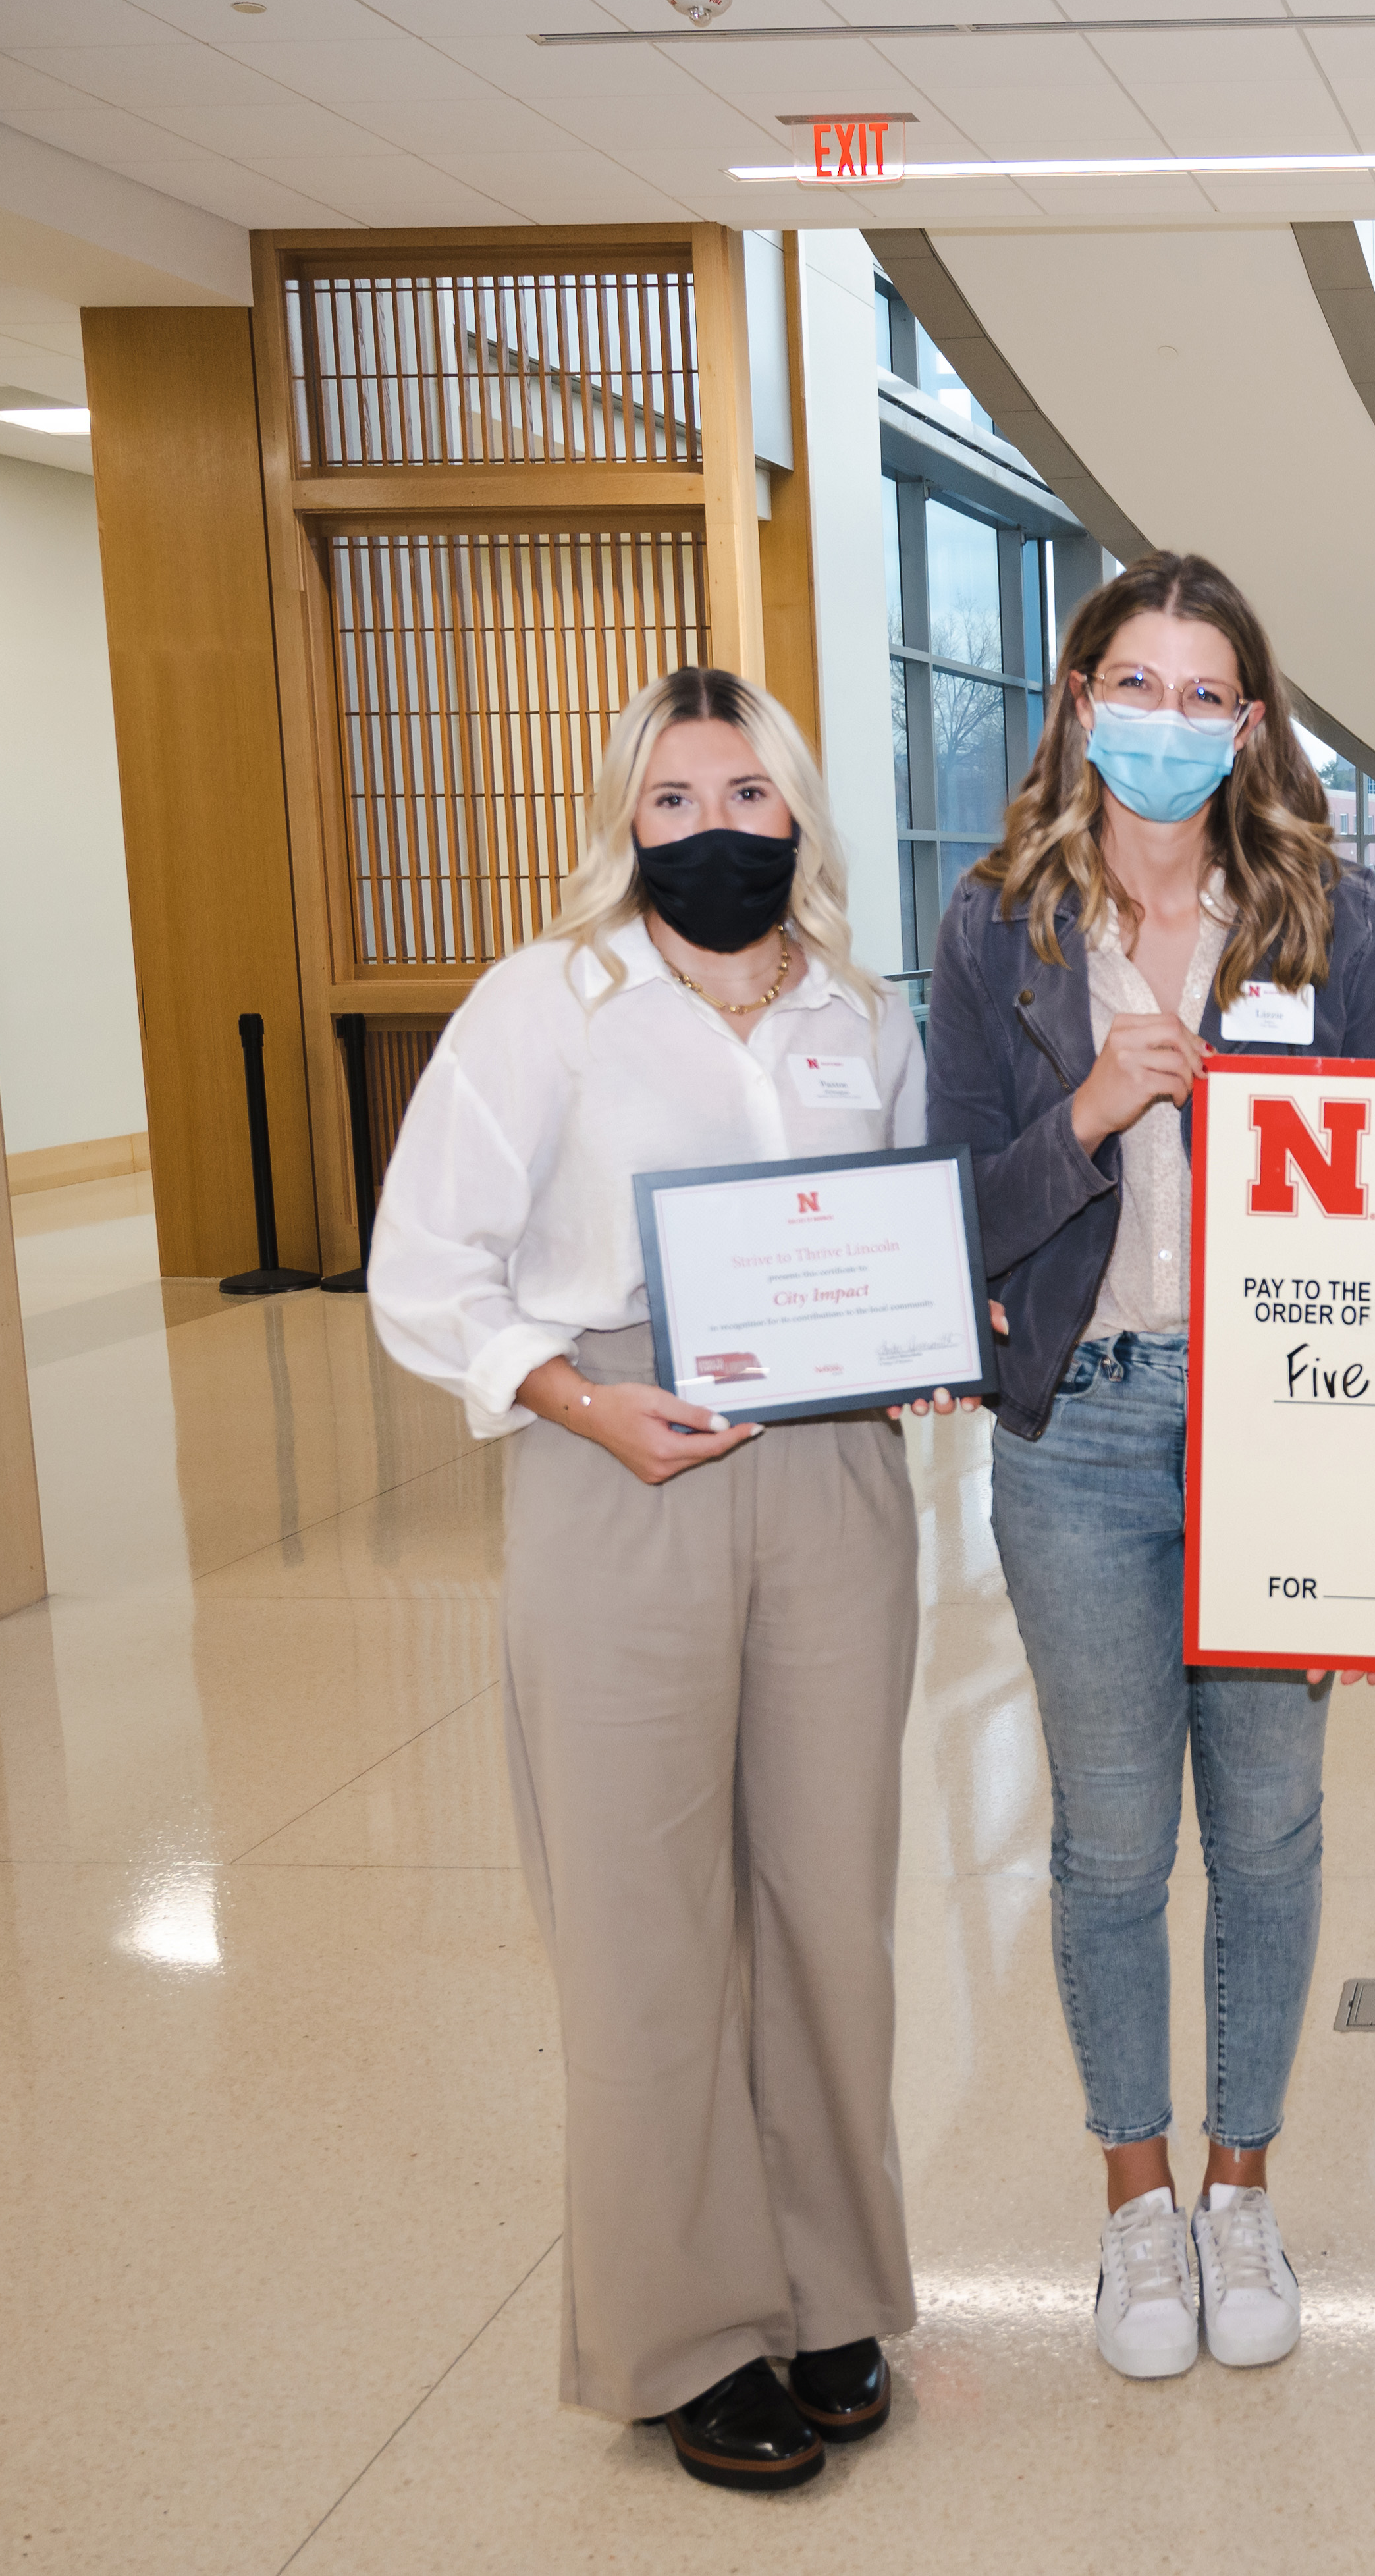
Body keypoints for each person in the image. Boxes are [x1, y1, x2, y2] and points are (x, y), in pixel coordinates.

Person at [369, 666, 965, 2490]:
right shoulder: (544, 1003)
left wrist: (926, 1329)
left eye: (749, 795)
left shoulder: (859, 1013)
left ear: (800, 814)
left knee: (823, 1897)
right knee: (640, 1916)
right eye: (675, 800)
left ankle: (825, 2282)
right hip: (614, 1460)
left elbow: (902, 1221)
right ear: (626, 823)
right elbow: (425, 1264)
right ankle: (687, 2327)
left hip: (832, 1484)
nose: (717, 829)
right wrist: (570, 1394)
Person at [925, 552, 1375, 2382]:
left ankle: (1238, 2185)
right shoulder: (996, 926)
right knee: (1115, 1835)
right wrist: (1091, 1113)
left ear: (1251, 726)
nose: (1166, 720)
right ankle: (1132, 2200)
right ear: (1075, 698)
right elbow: (954, 1212)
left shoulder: (1332, 926)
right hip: (1083, 1420)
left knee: (1272, 1829)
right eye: (1135, 681)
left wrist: (1368, 1507)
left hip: (1277, 1423)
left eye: (1204, 694)